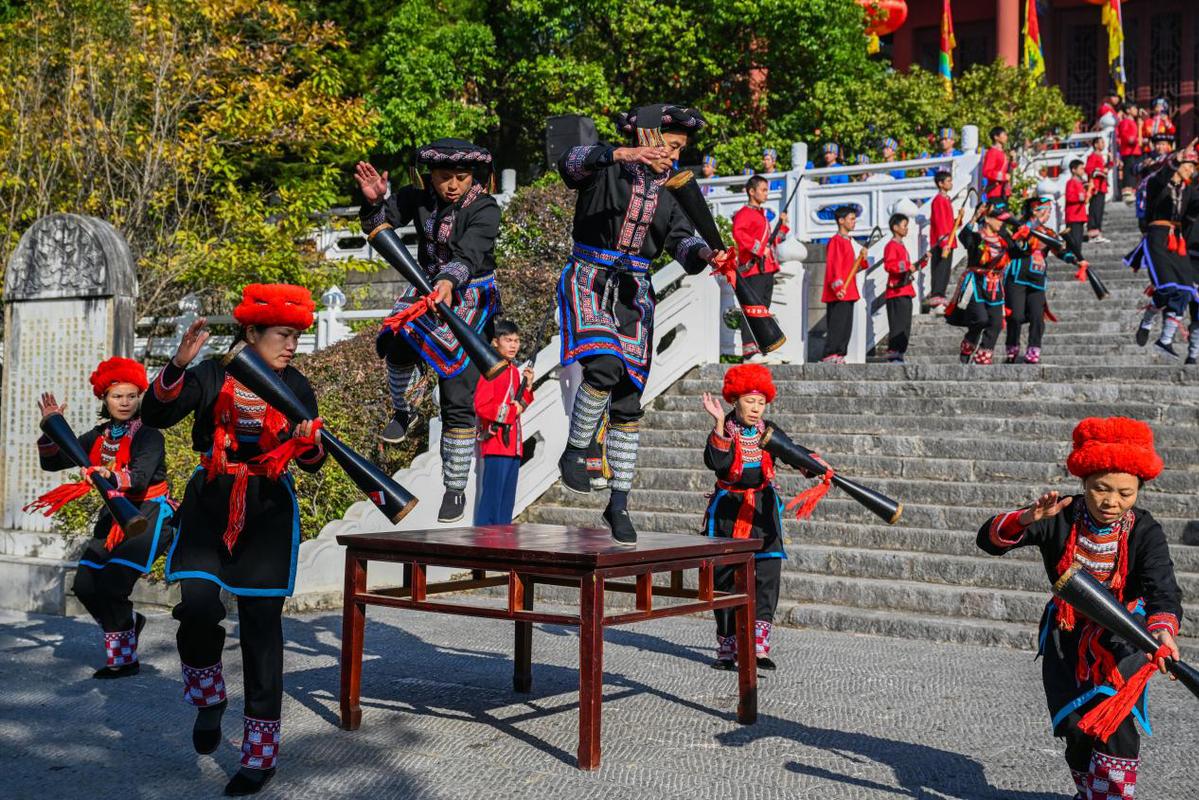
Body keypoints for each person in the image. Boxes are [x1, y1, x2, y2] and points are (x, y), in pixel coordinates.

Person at [142, 284, 327, 796]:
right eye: (283, 335)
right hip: (211, 499)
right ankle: (209, 698)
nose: (292, 345)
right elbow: (157, 416)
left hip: (267, 508)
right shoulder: (211, 375)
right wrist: (177, 368)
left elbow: (313, 461)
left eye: (296, 337)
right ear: (252, 332)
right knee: (198, 607)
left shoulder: (298, 386)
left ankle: (259, 756)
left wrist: (309, 443)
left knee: (261, 632)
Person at [977, 417, 1181, 800]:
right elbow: (989, 540)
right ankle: (1090, 793)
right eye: (1101, 489)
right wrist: (1026, 519)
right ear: (1084, 483)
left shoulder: (1145, 531)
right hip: (1066, 635)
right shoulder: (1060, 514)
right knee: (1074, 725)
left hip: (1125, 638)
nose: (1111, 502)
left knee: (1115, 724)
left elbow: (1163, 590)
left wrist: (1163, 632)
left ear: (1139, 488)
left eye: (1125, 493)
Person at [555, 103, 720, 545]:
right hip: (591, 278)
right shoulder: (607, 164)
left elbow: (681, 239)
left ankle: (619, 501)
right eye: (668, 145)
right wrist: (623, 155)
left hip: (635, 293)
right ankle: (575, 450)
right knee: (605, 367)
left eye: (680, 148)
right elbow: (569, 165)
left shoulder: (674, 187)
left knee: (628, 398)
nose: (673, 155)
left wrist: (705, 255)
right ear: (645, 137)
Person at [354, 139, 500, 523]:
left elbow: (470, 253)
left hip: (471, 294)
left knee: (456, 392)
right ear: (428, 177)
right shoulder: (416, 199)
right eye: (442, 177)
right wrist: (373, 202)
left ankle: (455, 488)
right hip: (424, 285)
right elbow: (377, 225)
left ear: (474, 177)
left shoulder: (485, 207)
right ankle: (406, 410)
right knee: (394, 339)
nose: (452, 185)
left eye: (461, 177)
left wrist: (449, 283)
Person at [28, 358, 174, 679]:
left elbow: (138, 476)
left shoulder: (150, 435)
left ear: (140, 398)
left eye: (131, 396)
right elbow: (53, 463)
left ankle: (123, 660)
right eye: (117, 396)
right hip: (113, 517)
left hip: (147, 518)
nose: (125, 402)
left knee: (111, 586)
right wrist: (52, 428)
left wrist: (109, 473)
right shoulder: (98, 436)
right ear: (104, 400)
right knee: (84, 585)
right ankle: (127, 625)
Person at [700, 364, 789, 671]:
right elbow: (717, 463)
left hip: (762, 509)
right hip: (728, 510)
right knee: (724, 577)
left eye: (760, 402)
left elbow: (792, 452)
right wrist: (720, 423)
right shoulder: (725, 429)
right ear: (735, 400)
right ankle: (727, 645)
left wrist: (813, 465)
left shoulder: (770, 431)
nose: (755, 407)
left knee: (768, 573)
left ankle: (759, 646)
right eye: (750, 401)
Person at [1126, 146, 1199, 356]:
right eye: (1188, 165)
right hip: (1157, 237)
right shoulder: (1157, 184)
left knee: (1186, 290)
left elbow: (1194, 208)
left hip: (1178, 240)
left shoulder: (1189, 191)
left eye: (1193, 166)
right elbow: (1163, 175)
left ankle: (1165, 340)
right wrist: (1175, 160)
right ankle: (1148, 319)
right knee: (1167, 287)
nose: (1191, 170)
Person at [1004, 196, 1083, 364]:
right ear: (1036, 211)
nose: (1048, 215)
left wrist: (1076, 260)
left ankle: (1033, 350)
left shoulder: (1048, 233)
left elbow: (1060, 251)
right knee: (1016, 316)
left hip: (1037, 280)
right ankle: (1012, 348)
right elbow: (1014, 244)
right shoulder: (1020, 227)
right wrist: (1032, 224)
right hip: (1017, 277)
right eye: (1046, 211)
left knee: (1037, 316)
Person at [473, 319, 534, 526]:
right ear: (495, 342)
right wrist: (509, 412)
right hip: (496, 443)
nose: (514, 345)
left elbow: (519, 405)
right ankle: (485, 546)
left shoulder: (514, 372)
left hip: (513, 446)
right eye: (508, 340)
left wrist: (528, 386)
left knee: (505, 506)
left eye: (516, 341)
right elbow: (482, 406)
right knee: (492, 504)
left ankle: (502, 546)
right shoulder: (491, 370)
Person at [948, 202, 1024, 365]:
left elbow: (1018, 253)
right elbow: (964, 239)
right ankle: (968, 345)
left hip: (995, 284)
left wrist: (1023, 236)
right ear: (988, 219)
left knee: (996, 322)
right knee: (981, 319)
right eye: (998, 219)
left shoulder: (1004, 240)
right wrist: (974, 217)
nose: (1001, 222)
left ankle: (983, 356)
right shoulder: (976, 237)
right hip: (976, 282)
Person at [731, 174, 789, 362]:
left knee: (763, 308)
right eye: (763, 190)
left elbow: (772, 242)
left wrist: (782, 225)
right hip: (753, 269)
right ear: (751, 191)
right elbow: (739, 234)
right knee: (752, 310)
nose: (766, 193)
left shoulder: (761, 215)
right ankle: (749, 351)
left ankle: (760, 347)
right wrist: (758, 248)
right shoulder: (744, 214)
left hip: (766, 268)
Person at [821, 206, 859, 363]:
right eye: (851, 219)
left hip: (849, 290)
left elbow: (854, 267)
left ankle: (840, 353)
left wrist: (862, 258)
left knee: (846, 325)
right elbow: (834, 265)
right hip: (840, 290)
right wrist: (838, 287)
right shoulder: (836, 241)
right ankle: (830, 353)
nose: (854, 222)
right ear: (841, 221)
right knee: (837, 324)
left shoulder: (848, 242)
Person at [883, 213, 917, 362]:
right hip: (896, 291)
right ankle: (894, 353)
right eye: (904, 225)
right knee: (898, 324)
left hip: (905, 290)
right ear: (895, 228)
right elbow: (889, 265)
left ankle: (900, 353)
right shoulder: (891, 246)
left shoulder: (902, 246)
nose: (906, 228)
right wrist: (906, 266)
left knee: (905, 325)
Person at [927, 170, 957, 311]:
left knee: (945, 270)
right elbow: (940, 223)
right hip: (943, 241)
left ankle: (941, 297)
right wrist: (944, 243)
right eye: (948, 181)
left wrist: (958, 220)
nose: (951, 183)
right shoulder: (938, 200)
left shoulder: (946, 200)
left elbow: (949, 222)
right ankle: (936, 298)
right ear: (940, 183)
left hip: (948, 240)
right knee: (940, 270)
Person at [1086, 138, 1113, 242]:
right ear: (1096, 144)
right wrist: (1101, 171)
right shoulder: (1093, 156)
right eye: (1101, 142)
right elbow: (1089, 170)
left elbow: (1105, 169)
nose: (1103, 144)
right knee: (1095, 211)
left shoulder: (1100, 157)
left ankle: (1097, 232)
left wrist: (1110, 161)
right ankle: (1093, 233)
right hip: (1096, 187)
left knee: (1099, 211)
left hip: (1102, 187)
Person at [1116, 102, 1142, 203]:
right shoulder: (1125, 122)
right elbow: (1127, 138)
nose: (1136, 110)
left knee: (1134, 172)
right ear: (1128, 110)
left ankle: (1133, 191)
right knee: (1129, 173)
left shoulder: (1133, 122)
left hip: (1135, 151)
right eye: (1134, 108)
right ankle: (1128, 193)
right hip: (1128, 151)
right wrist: (1136, 139)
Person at [1063, 159, 1089, 259]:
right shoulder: (1071, 182)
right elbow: (1070, 197)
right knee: (1074, 239)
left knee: (1078, 239)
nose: (1083, 170)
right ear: (1074, 170)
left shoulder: (1080, 183)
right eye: (1081, 168)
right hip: (1074, 216)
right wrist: (1080, 197)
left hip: (1079, 215)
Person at [981, 126, 1012, 200]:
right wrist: (1003, 176)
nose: (1006, 137)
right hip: (995, 192)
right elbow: (986, 171)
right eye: (1003, 134)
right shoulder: (992, 152)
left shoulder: (1003, 152)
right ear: (996, 137)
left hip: (1004, 191)